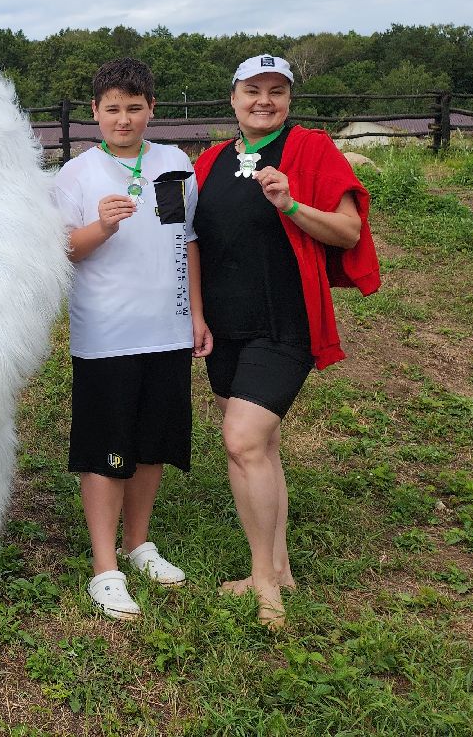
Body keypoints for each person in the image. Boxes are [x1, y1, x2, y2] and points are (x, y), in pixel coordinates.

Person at [193, 54, 379, 627]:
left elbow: (348, 230)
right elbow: (193, 243)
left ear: (290, 100)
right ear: (233, 98)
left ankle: (264, 585)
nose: (264, 101)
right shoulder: (211, 161)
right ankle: (279, 565)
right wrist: (196, 316)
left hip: (285, 324)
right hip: (224, 329)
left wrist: (291, 204)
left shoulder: (310, 151)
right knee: (259, 450)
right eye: (253, 90)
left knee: (243, 440)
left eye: (277, 91)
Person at [52, 58, 212, 621]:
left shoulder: (174, 163)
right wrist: (103, 226)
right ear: (95, 113)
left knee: (151, 444)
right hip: (107, 334)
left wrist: (195, 314)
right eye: (112, 109)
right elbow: (62, 250)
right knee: (106, 448)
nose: (124, 118)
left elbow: (186, 238)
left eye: (135, 108)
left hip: (166, 328)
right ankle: (104, 569)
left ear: (152, 110)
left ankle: (137, 544)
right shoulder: (76, 174)